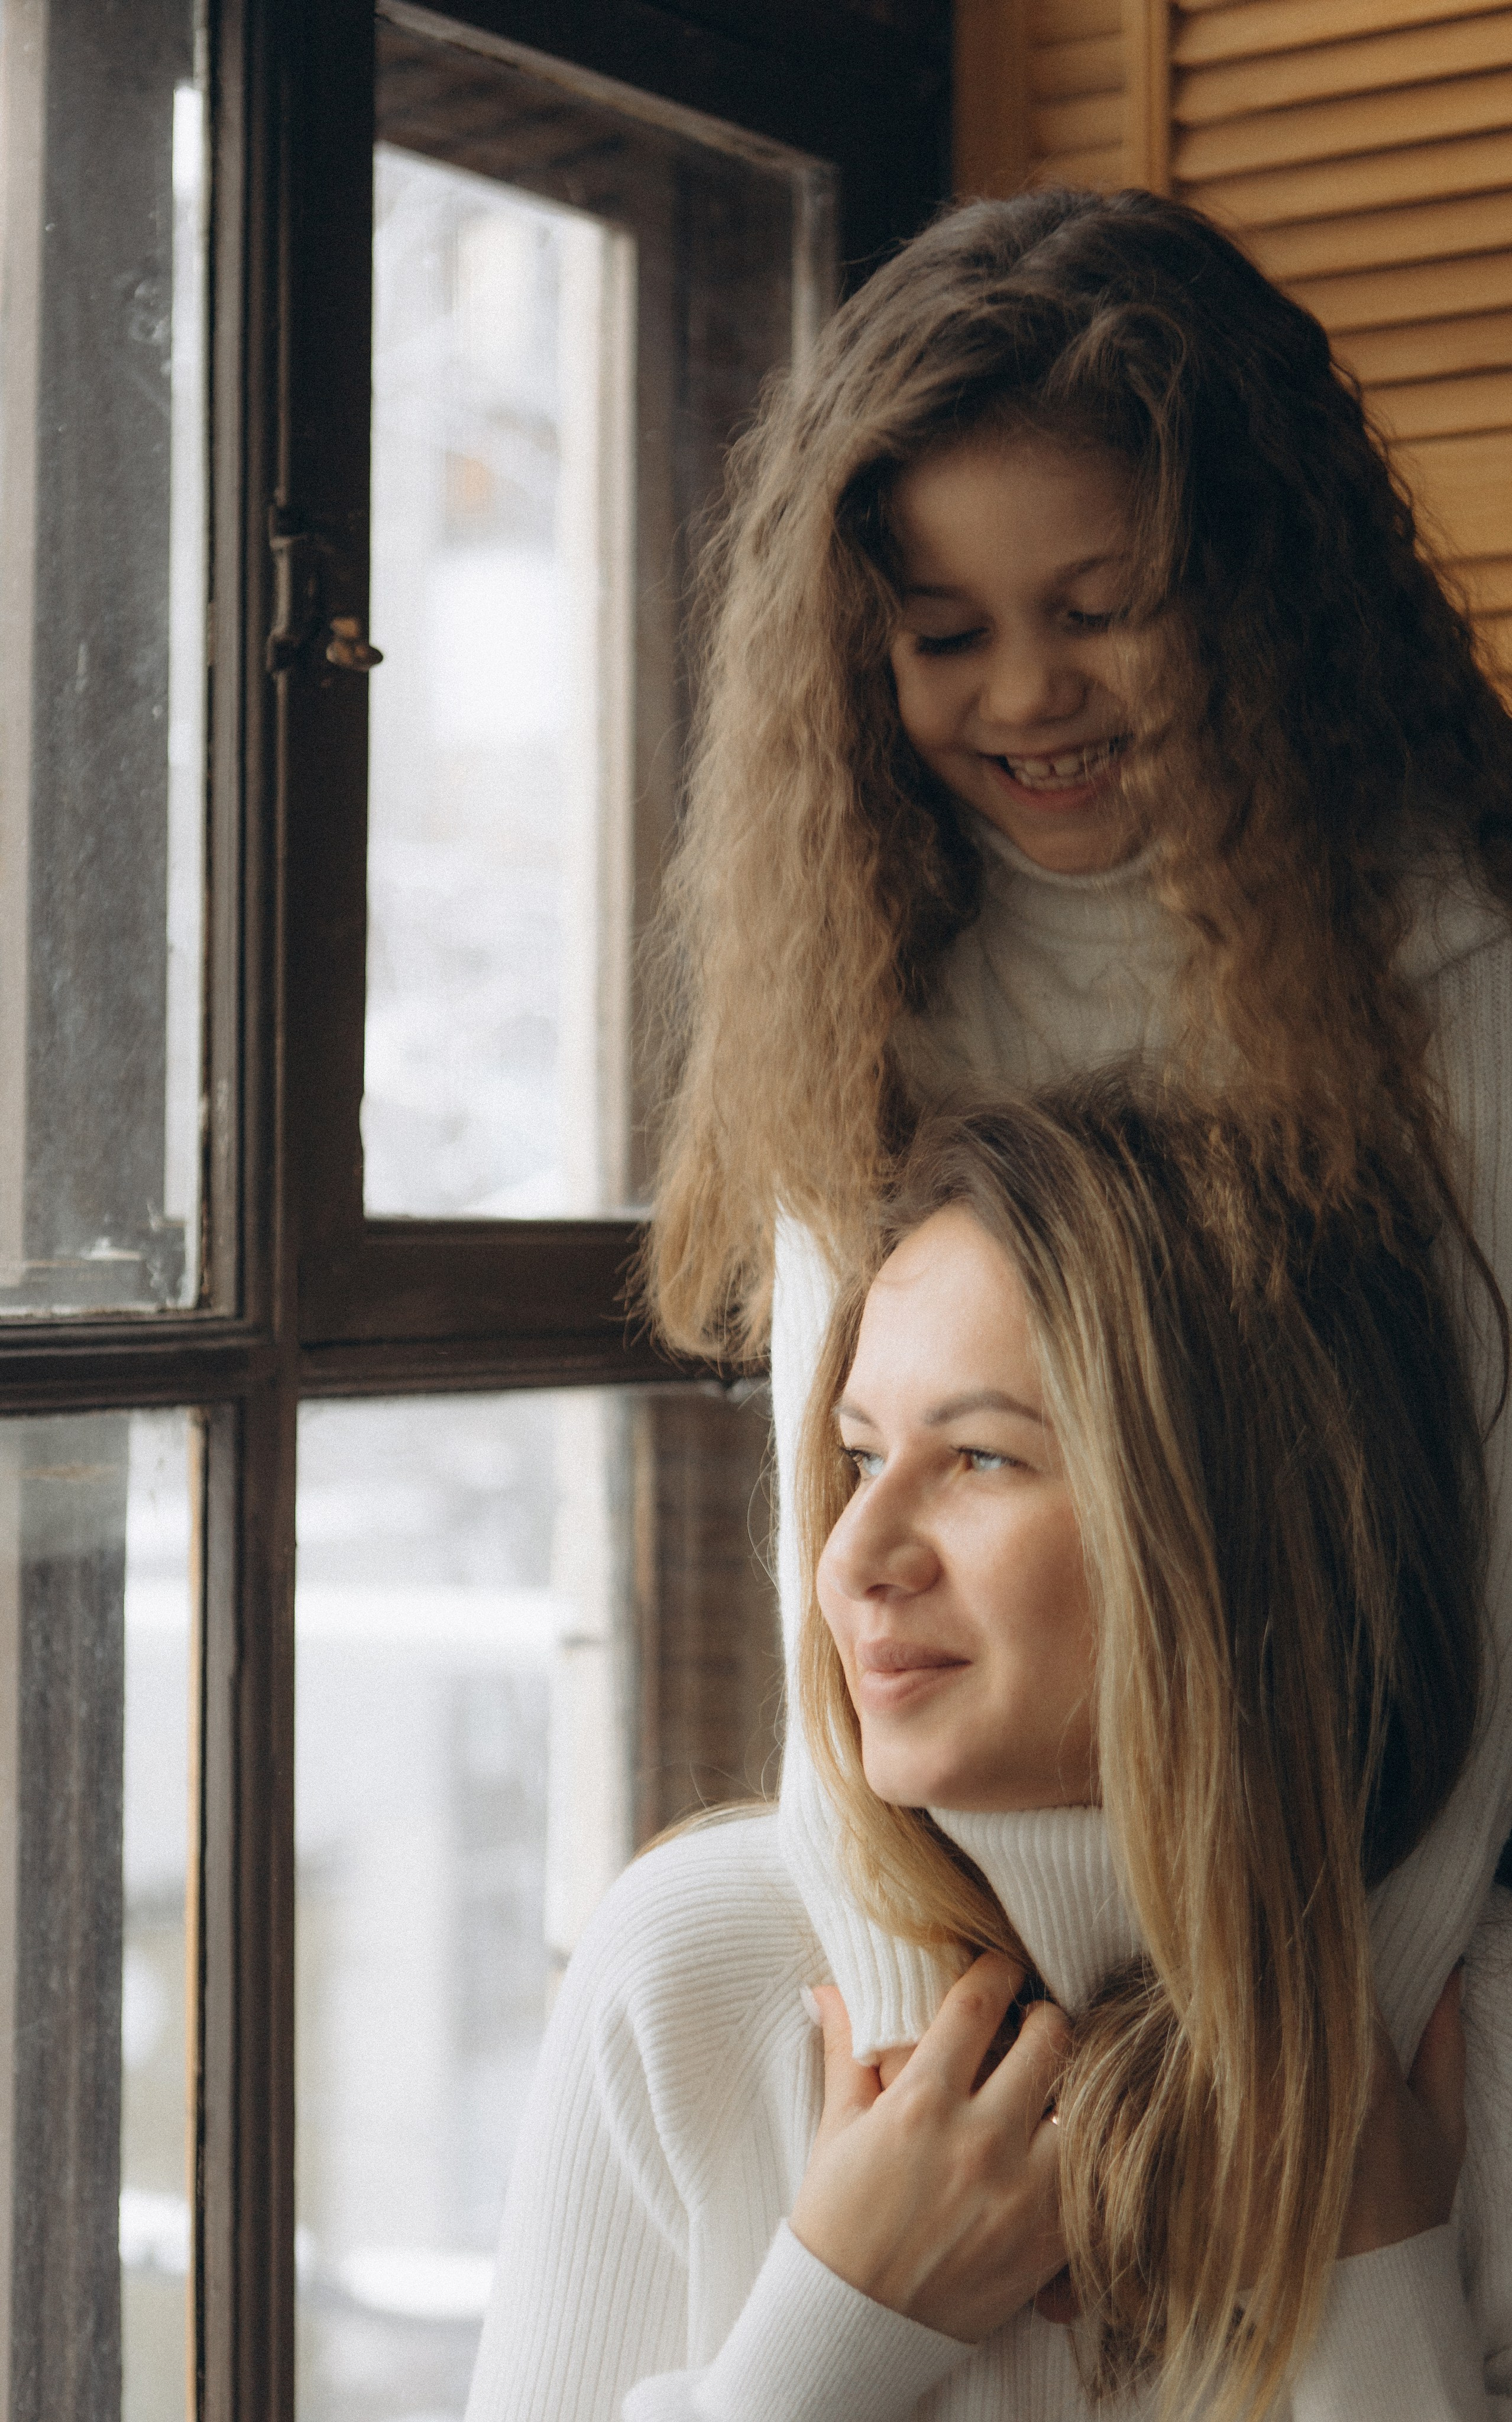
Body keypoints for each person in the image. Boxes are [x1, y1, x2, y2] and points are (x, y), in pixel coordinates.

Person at [643, 184, 1512, 2080]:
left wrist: (1330, 2061)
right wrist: (922, 2066)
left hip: (1365, 1889)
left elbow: (1486, 1561)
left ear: (1258, 597)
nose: (1027, 696)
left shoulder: (1443, 953)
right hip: (986, 1907)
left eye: (1102, 613)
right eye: (943, 632)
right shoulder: (852, 959)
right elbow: (834, 1548)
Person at [466, 1086, 1511, 2419]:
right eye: (856, 1456)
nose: (852, 1556)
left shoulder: (1464, 2043)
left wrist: (1374, 2284)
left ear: (1235, 1524)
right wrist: (823, 2331)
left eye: (975, 1457)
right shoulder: (691, 1976)